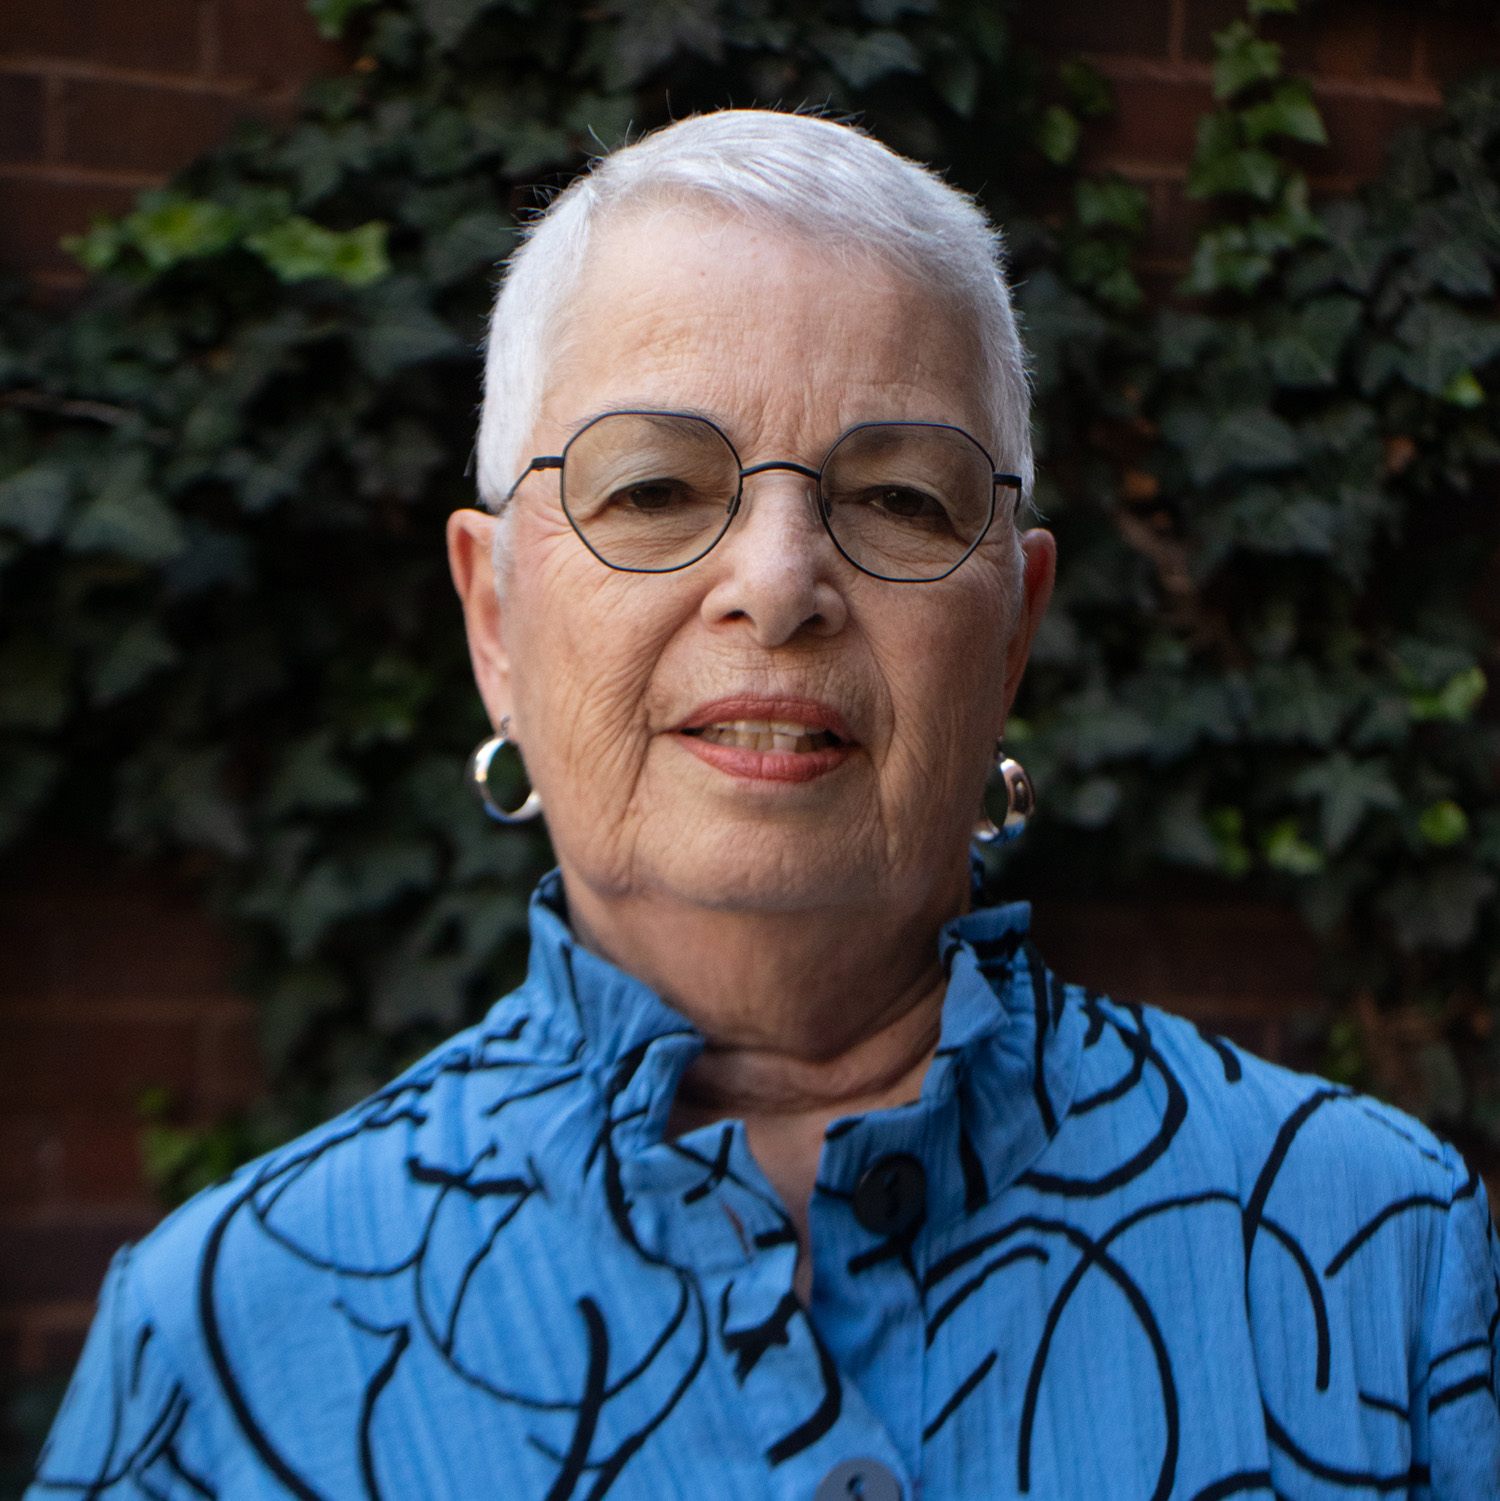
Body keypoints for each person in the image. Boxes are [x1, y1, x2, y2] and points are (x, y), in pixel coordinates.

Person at [28, 109, 1500, 1501]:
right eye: (657, 487)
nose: (781, 583)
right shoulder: (227, 1336)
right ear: (494, 621)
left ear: (1011, 636)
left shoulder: (1371, 1246)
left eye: (901, 500)